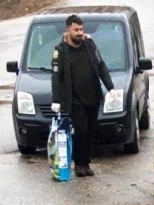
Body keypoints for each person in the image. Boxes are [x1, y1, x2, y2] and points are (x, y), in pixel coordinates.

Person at [50, 14, 114, 178]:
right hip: (75, 100)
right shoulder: (60, 51)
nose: (80, 33)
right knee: (81, 130)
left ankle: (86, 163)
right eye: (76, 29)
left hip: (93, 97)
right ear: (68, 30)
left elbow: (101, 66)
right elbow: (56, 77)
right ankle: (78, 164)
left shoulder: (90, 45)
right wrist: (56, 100)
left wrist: (110, 88)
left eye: (81, 29)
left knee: (91, 130)